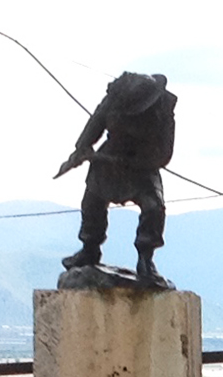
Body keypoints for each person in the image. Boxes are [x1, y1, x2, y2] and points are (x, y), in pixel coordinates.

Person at [56, 72, 177, 286]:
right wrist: (82, 147)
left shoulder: (162, 110)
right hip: (108, 159)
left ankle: (145, 259)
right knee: (92, 200)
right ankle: (89, 249)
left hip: (142, 165)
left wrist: (132, 161)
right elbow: (96, 123)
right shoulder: (116, 98)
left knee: (154, 207)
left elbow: (163, 154)